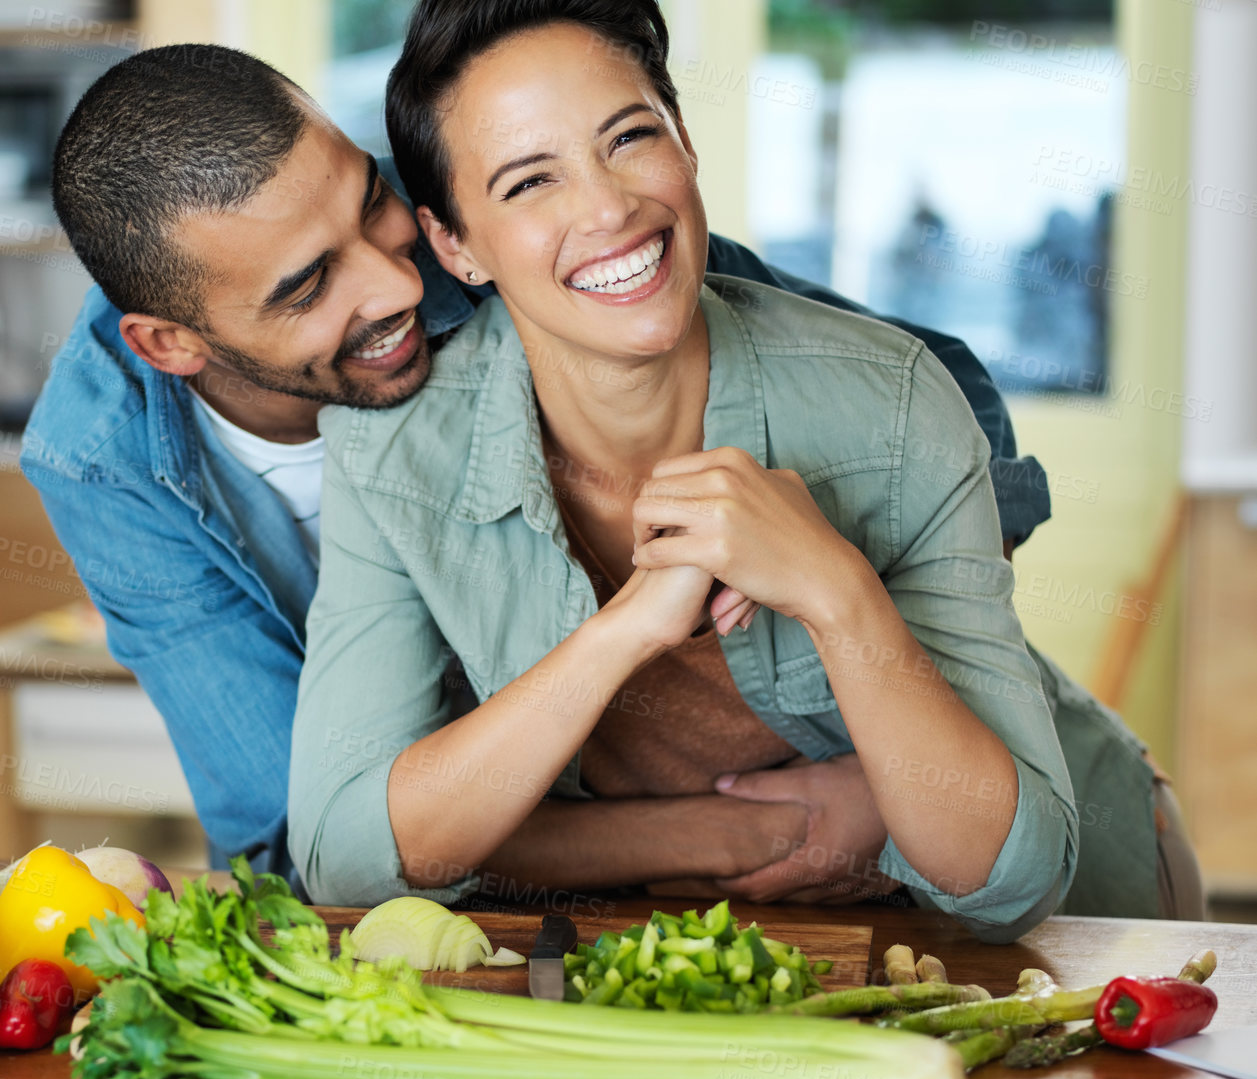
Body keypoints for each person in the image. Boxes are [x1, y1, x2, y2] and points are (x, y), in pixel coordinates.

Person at [26, 41, 1050, 898]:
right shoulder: (100, 462)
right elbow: (306, 838)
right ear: (169, 343)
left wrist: (897, 597)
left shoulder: (495, 213)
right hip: (526, 889)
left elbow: (894, 375)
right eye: (307, 287)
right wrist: (754, 830)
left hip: (777, 831)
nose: (392, 281)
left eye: (370, 204)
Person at [286, 0, 1204, 937]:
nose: (606, 208)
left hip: (1091, 921)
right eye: (529, 183)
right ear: (455, 245)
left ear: (683, 140)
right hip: (724, 948)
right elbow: (347, 855)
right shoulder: (392, 454)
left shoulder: (892, 403)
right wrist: (634, 638)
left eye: (629, 137)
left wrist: (835, 589)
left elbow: (1009, 878)